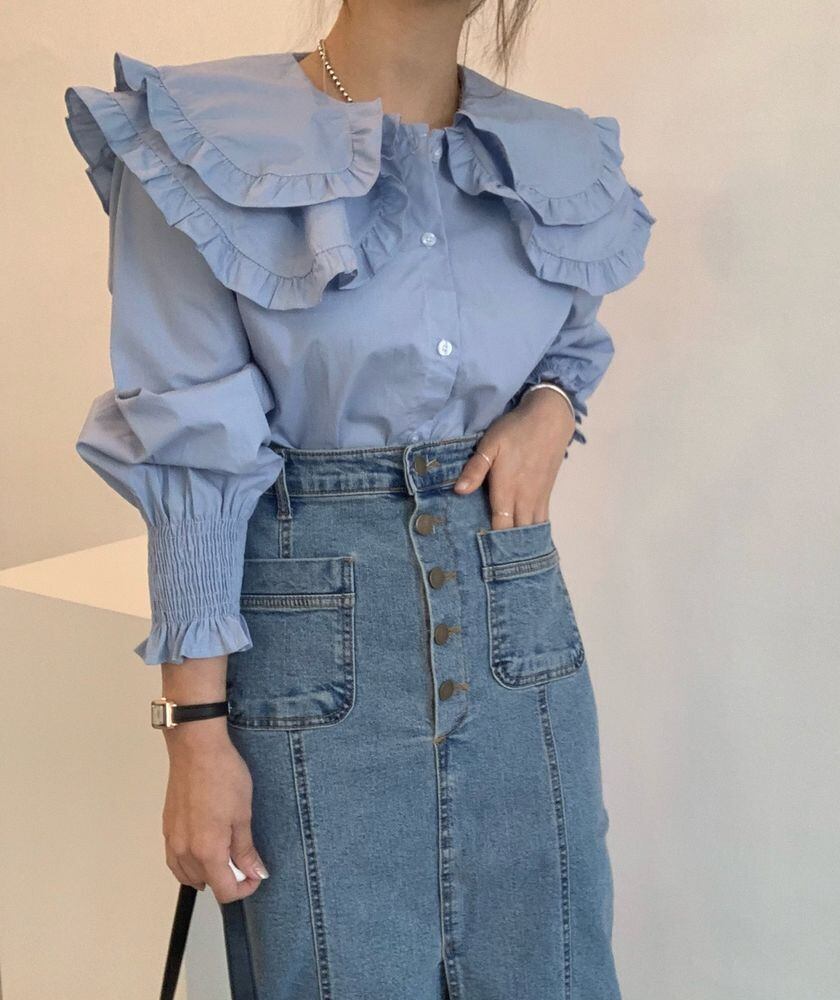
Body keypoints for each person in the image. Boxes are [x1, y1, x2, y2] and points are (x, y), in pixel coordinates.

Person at [64, 1, 655, 996]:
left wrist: (553, 405)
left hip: (519, 637)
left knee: (551, 974)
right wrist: (194, 730)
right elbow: (195, 459)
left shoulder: (549, 153)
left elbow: (573, 336)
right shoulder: (203, 139)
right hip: (311, 647)